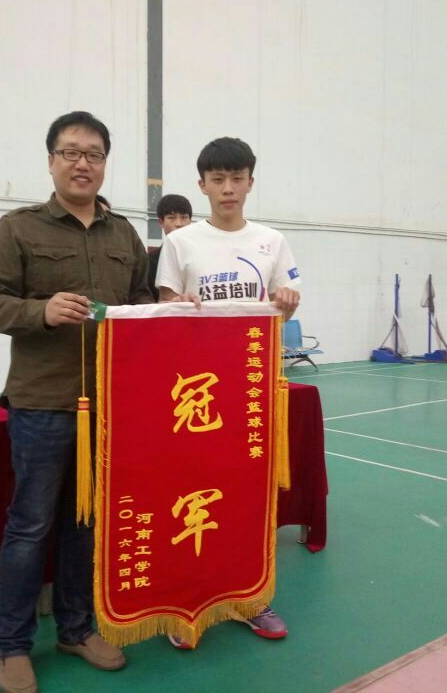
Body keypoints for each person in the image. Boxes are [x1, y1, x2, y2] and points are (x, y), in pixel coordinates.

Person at [0, 111, 153, 693]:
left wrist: (178, 311)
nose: (83, 163)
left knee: (86, 524)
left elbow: (141, 305)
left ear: (104, 164)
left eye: (94, 154)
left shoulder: (123, 235)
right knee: (30, 526)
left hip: (108, 407)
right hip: (43, 404)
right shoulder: (19, 228)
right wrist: (41, 311)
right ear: (51, 160)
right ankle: (12, 645)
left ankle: (76, 629)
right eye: (71, 152)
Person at [155, 136, 300, 648]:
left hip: (250, 391)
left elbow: (287, 303)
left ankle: (250, 597)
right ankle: (186, 601)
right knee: (190, 494)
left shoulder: (272, 242)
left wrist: (287, 300)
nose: (228, 188)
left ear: (250, 183)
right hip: (194, 395)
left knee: (247, 496)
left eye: (237, 178)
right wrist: (179, 304)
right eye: (218, 179)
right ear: (202, 186)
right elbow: (164, 310)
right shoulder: (181, 243)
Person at [147, 194, 193, 299]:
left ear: (190, 220)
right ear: (161, 222)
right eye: (171, 218)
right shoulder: (149, 262)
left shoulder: (201, 255)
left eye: (184, 217)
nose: (179, 224)